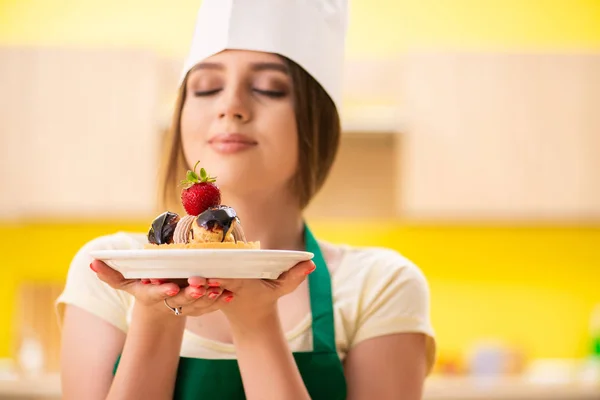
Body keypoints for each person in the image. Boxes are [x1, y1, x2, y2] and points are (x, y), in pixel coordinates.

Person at [56, 0, 436, 399]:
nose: (231, 106)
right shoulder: (111, 273)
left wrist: (256, 321)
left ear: (316, 119)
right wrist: (156, 314)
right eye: (206, 88)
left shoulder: (380, 286)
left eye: (269, 88)